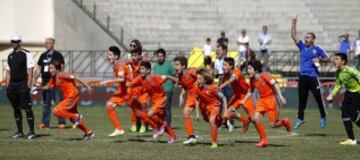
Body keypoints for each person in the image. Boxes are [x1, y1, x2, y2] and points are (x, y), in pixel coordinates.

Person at [36, 60, 94, 140]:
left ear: (57, 69)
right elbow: (48, 87)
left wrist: (88, 87)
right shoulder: (53, 78)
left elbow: (76, 77)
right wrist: (39, 88)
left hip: (72, 96)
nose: (50, 70)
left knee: (55, 111)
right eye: (49, 68)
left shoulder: (62, 74)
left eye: (52, 68)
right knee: (72, 120)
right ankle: (88, 133)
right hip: (69, 97)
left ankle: (76, 116)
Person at [291, 15, 328, 130]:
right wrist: (293, 23)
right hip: (302, 77)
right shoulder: (302, 47)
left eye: (308, 37)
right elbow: (293, 35)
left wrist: (320, 59)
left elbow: (328, 59)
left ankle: (323, 116)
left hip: (313, 77)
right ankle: (300, 118)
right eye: (305, 37)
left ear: (313, 39)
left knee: (318, 98)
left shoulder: (317, 50)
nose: (306, 39)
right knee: (302, 99)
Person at [242, 60, 292, 147]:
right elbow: (251, 90)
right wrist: (244, 100)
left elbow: (275, 84)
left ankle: (284, 122)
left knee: (273, 124)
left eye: (250, 68)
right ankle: (264, 140)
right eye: (248, 69)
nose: (248, 71)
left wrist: (280, 96)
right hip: (261, 100)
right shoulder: (252, 79)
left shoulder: (265, 75)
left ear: (256, 69)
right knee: (255, 118)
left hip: (271, 100)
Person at [127, 61, 178, 144]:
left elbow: (167, 76)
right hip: (154, 102)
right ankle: (173, 135)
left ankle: (159, 127)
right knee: (158, 120)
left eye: (143, 69)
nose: (141, 70)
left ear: (148, 70)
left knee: (150, 114)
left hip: (162, 99)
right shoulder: (140, 79)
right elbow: (129, 84)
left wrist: (175, 80)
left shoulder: (155, 77)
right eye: (140, 69)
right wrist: (126, 79)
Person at [5, 35, 36, 139]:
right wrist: (7, 86)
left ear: (19, 42)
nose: (13, 43)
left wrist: (29, 84)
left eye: (15, 41)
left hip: (23, 83)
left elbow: (30, 70)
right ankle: (20, 131)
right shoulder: (9, 56)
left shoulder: (26, 54)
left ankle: (31, 132)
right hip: (12, 85)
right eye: (12, 41)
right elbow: (8, 72)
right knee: (16, 108)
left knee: (27, 107)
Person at [326, 53, 360, 145]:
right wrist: (331, 95)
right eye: (334, 59)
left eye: (337, 59)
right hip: (349, 94)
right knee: (345, 115)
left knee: (353, 117)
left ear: (343, 61)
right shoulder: (338, 72)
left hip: (357, 94)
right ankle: (351, 140)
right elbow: (338, 85)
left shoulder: (350, 70)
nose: (334, 61)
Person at [33, 38, 66, 129]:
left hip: (56, 81)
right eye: (45, 43)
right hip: (45, 81)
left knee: (58, 102)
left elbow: (62, 67)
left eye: (48, 43)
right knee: (46, 104)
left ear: (53, 44)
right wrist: (34, 79)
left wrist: (59, 78)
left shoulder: (58, 55)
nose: (46, 44)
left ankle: (61, 122)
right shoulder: (43, 55)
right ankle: (45, 123)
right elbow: (39, 68)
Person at [193, 68, 227, 148]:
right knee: (210, 121)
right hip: (205, 107)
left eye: (199, 79)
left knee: (212, 121)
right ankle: (226, 118)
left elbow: (224, 98)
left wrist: (225, 111)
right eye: (197, 78)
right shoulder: (196, 87)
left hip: (215, 105)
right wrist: (197, 113)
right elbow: (197, 100)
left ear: (205, 80)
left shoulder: (213, 88)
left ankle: (214, 143)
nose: (197, 80)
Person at [219, 57, 253, 133]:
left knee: (254, 118)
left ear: (231, 66)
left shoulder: (237, 72)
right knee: (227, 113)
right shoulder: (226, 73)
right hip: (237, 96)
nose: (223, 66)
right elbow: (223, 79)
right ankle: (246, 121)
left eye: (225, 65)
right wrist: (219, 85)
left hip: (245, 95)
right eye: (223, 64)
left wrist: (220, 87)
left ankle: (263, 138)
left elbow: (230, 81)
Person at [99, 46, 127, 137]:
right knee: (109, 106)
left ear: (116, 56)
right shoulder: (116, 65)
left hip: (131, 91)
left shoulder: (120, 64)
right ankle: (118, 129)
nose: (108, 56)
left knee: (141, 113)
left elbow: (122, 79)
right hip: (123, 91)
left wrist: (108, 81)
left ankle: (160, 127)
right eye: (108, 54)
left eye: (110, 54)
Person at [172, 56, 198, 144]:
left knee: (208, 118)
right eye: (174, 65)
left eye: (177, 65)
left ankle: (226, 119)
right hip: (191, 95)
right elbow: (184, 86)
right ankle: (191, 136)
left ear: (183, 66)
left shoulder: (191, 71)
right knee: (186, 112)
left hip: (200, 94)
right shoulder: (179, 75)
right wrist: (181, 94)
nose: (175, 67)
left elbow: (202, 76)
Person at [127, 39, 149, 133]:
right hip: (133, 86)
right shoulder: (130, 59)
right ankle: (135, 124)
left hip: (142, 87)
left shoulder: (144, 59)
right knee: (133, 106)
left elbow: (145, 69)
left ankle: (144, 125)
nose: (132, 47)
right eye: (131, 45)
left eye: (134, 45)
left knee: (143, 105)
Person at [153, 48, 176, 126]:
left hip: (167, 90)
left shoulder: (169, 65)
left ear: (164, 57)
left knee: (167, 108)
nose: (159, 58)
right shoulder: (155, 66)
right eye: (158, 56)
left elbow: (174, 76)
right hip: (158, 91)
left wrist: (172, 84)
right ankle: (160, 124)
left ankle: (167, 125)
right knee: (158, 108)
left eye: (161, 56)